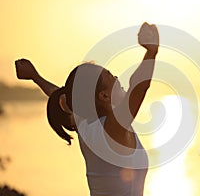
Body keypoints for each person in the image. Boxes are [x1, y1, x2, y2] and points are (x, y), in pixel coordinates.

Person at [15, 22, 159, 196]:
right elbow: (139, 88)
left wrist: (35, 77)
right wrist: (151, 52)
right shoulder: (112, 131)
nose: (115, 76)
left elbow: (57, 94)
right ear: (104, 96)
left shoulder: (84, 122)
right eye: (109, 75)